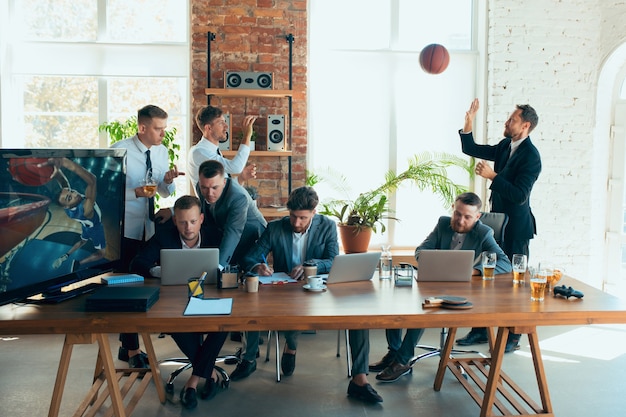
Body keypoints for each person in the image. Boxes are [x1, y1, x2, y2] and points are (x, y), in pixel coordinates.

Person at [369, 192, 512, 382]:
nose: (460, 220)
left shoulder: (483, 233)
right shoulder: (443, 223)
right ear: (453, 208)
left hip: (461, 289)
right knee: (396, 298)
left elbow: (505, 263)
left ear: (477, 217)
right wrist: (433, 261)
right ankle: (394, 353)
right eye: (458, 214)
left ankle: (402, 361)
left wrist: (474, 271)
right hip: (434, 281)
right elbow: (421, 251)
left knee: (425, 307)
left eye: (467, 217)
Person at [456, 99, 541, 351]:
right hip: (497, 225)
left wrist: (493, 176)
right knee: (488, 277)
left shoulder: (532, 157)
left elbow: (519, 195)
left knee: (514, 284)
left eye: (512, 119)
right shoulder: (506, 145)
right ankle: (480, 330)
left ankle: (513, 338)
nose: (507, 122)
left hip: (517, 228)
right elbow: (471, 148)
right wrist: (468, 123)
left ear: (525, 125)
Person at [130, 195, 227, 409]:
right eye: (182, 222)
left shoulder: (215, 235)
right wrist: (160, 271)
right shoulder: (164, 236)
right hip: (175, 299)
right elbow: (137, 263)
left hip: (210, 295)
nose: (188, 227)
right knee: (173, 323)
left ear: (201, 218)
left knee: (224, 324)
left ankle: (194, 380)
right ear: (175, 221)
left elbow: (231, 264)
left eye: (193, 221)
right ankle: (208, 373)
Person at [235, 186, 339, 380]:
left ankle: (290, 347)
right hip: (282, 288)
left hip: (314, 289)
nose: (297, 222)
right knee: (251, 304)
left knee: (296, 307)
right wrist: (258, 265)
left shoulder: (328, 226)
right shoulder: (275, 228)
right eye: (293, 216)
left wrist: (311, 264)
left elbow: (333, 260)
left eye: (303, 218)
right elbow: (250, 257)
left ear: (314, 213)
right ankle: (249, 359)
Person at [110, 104, 184, 369]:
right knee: (128, 289)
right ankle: (131, 350)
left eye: (164, 128)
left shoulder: (162, 151)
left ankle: (125, 345)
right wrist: (135, 194)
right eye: (158, 128)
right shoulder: (119, 151)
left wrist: (169, 179)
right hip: (124, 230)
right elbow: (106, 194)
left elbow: (164, 193)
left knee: (143, 285)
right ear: (142, 128)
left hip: (149, 228)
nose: (163, 134)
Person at [194, 160, 267, 269]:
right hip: (224, 228)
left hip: (252, 234)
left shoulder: (238, 197)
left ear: (224, 182)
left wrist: (218, 266)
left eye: (214, 188)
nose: (209, 193)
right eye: (204, 187)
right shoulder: (199, 187)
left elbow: (233, 232)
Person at [49, 157, 106, 270]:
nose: (74, 193)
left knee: (82, 241)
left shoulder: (68, 207)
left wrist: (56, 171)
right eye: (70, 197)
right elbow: (92, 180)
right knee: (101, 253)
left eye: (71, 191)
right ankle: (78, 263)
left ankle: (66, 255)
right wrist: (65, 162)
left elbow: (64, 183)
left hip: (85, 226)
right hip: (95, 228)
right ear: (67, 205)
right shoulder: (86, 209)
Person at [188, 105, 257, 188]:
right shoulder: (199, 152)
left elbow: (224, 188)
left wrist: (241, 178)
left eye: (224, 122)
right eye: (221, 123)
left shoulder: (213, 151)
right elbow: (235, 168)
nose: (226, 126)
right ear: (208, 128)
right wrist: (247, 136)